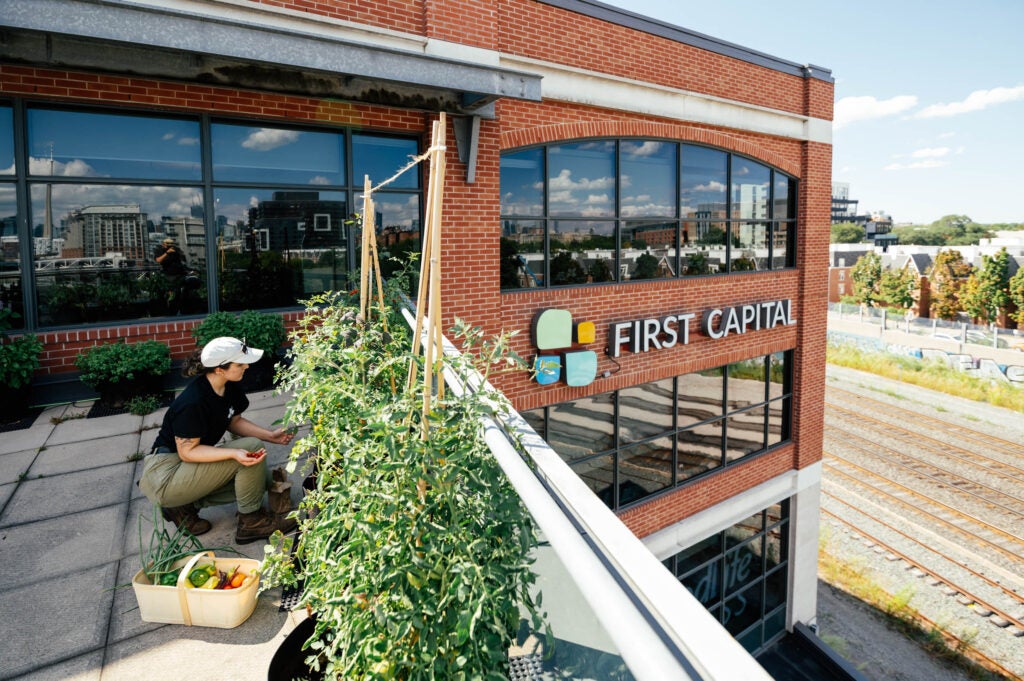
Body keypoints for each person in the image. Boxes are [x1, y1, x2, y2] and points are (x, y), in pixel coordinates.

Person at [138, 336, 297, 544]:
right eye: (240, 364)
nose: (247, 367)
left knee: (261, 479)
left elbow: (233, 420)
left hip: (187, 465)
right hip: (167, 474)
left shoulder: (228, 385)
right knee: (250, 450)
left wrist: (270, 435)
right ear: (220, 369)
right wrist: (233, 453)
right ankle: (251, 523)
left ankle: (184, 506)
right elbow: (188, 451)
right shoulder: (193, 402)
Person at [153, 237, 188, 314]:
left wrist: (178, 253)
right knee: (169, 295)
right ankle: (169, 310)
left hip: (179, 276)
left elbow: (184, 259)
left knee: (179, 295)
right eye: (167, 244)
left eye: (170, 244)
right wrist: (167, 252)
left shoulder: (176, 250)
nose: (169, 246)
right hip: (168, 276)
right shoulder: (160, 251)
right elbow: (158, 260)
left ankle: (179, 310)